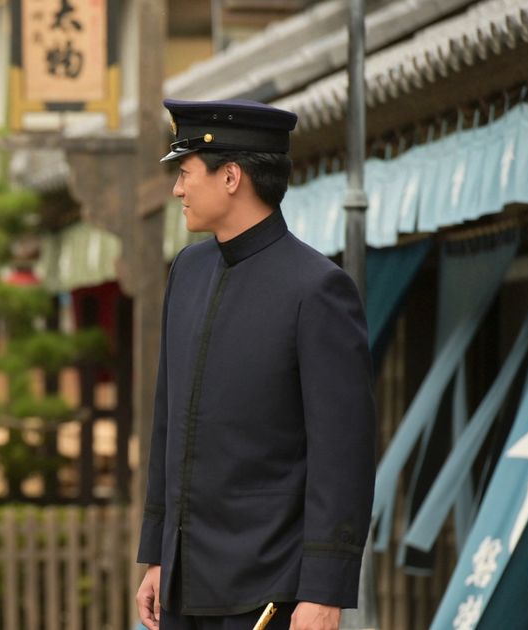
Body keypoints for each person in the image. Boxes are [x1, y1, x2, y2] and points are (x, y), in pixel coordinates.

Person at [135, 99, 376, 630]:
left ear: (231, 177)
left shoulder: (317, 289)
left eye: (185, 172)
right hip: (182, 584)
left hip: (271, 590)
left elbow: (343, 456)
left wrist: (325, 591)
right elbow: (167, 423)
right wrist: (156, 553)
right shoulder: (187, 271)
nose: (177, 189)